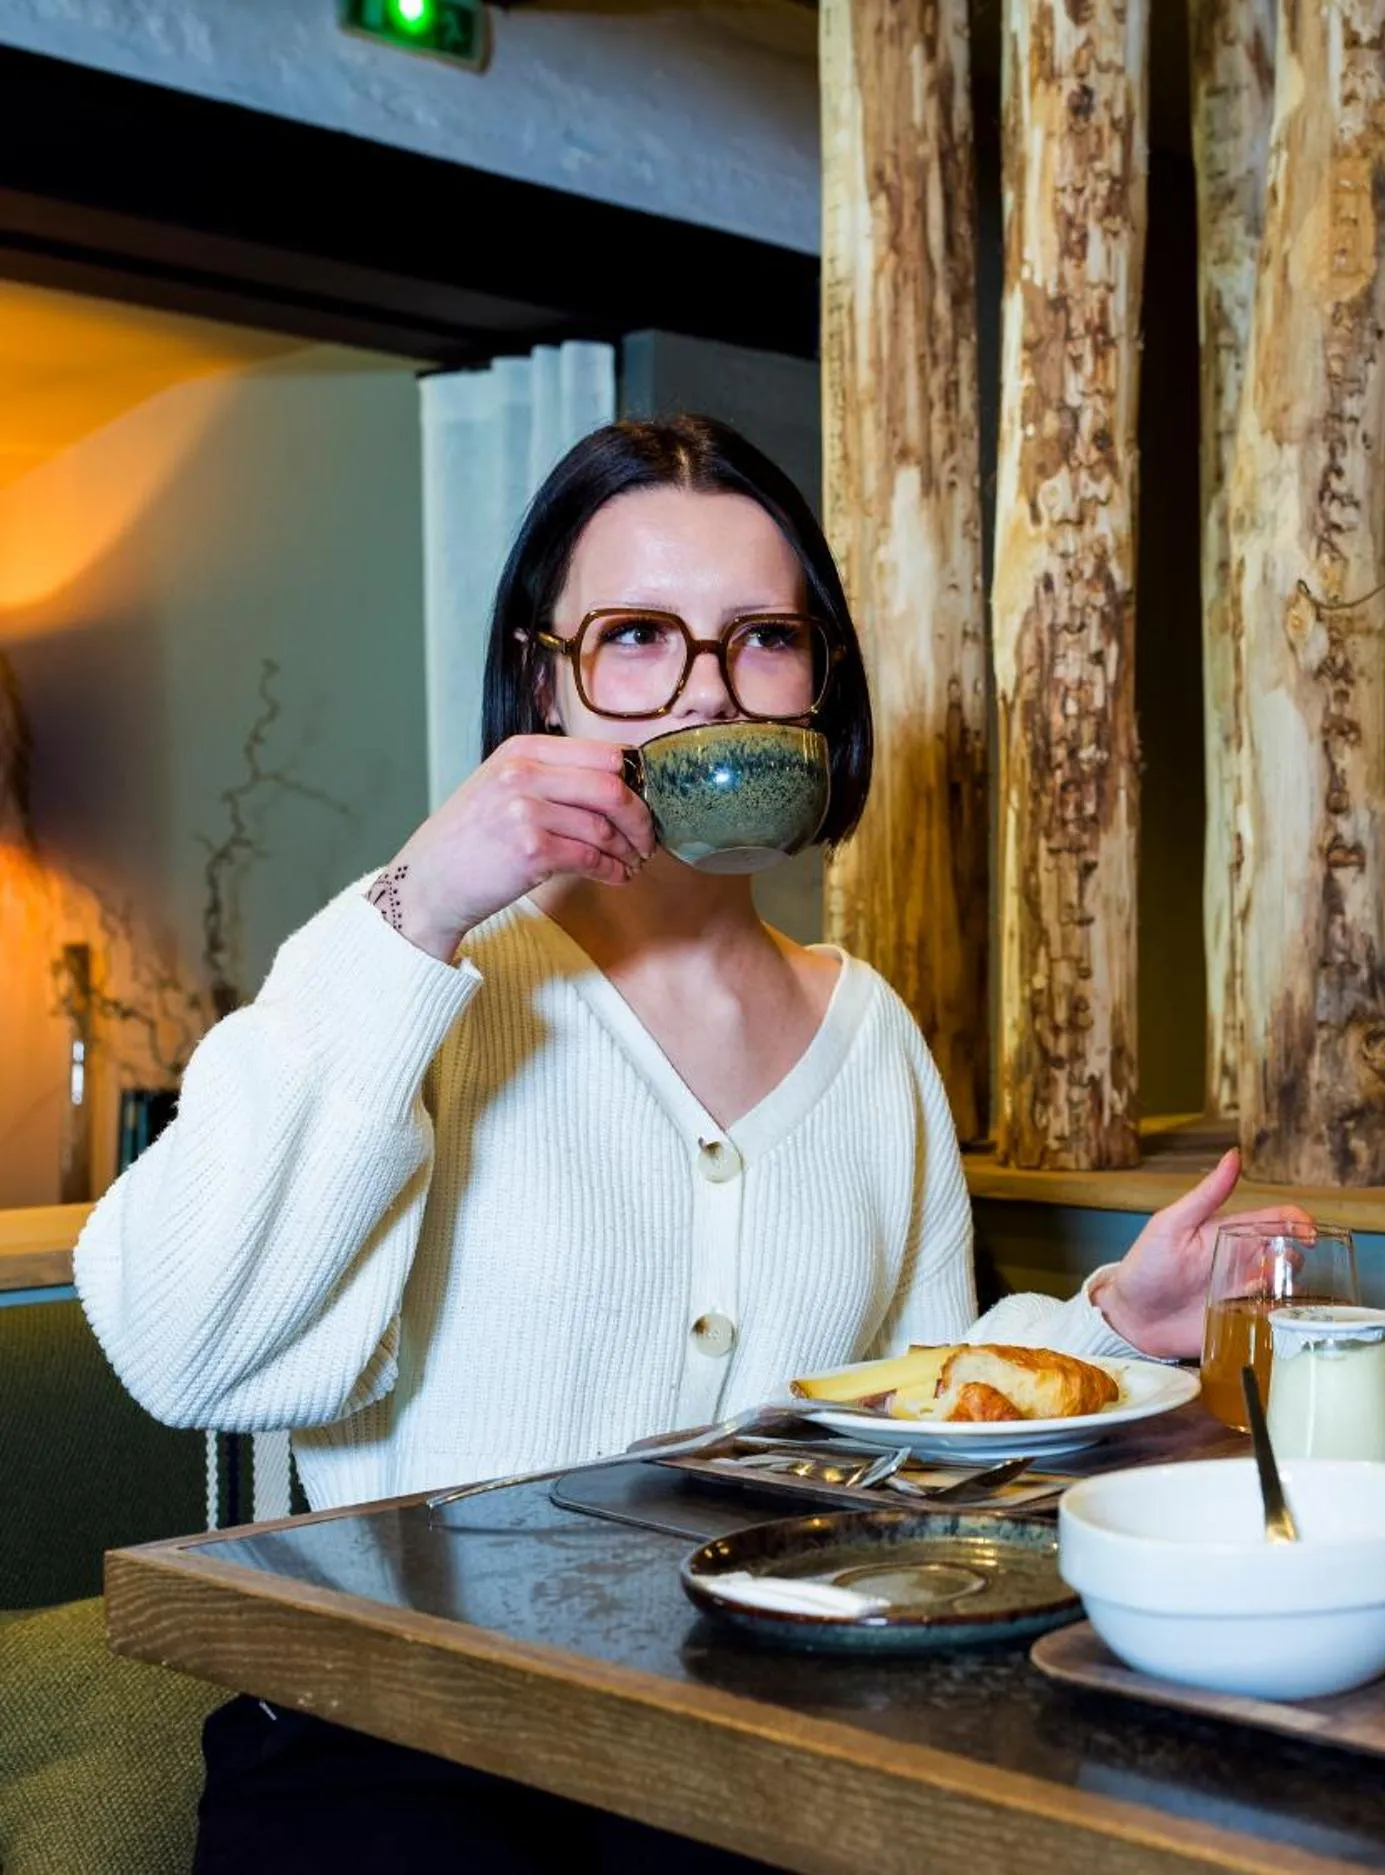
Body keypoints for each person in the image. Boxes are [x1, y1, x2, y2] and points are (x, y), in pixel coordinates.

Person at [74, 416, 1291, 1869]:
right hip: (399, 1735)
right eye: (638, 637)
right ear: (546, 678)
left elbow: (899, 1416)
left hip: (748, 1730)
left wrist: (1113, 1327)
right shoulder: (420, 979)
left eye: (762, 639)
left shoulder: (869, 1033)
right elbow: (185, 1347)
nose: (706, 691)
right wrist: (422, 902)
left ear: (815, 685)